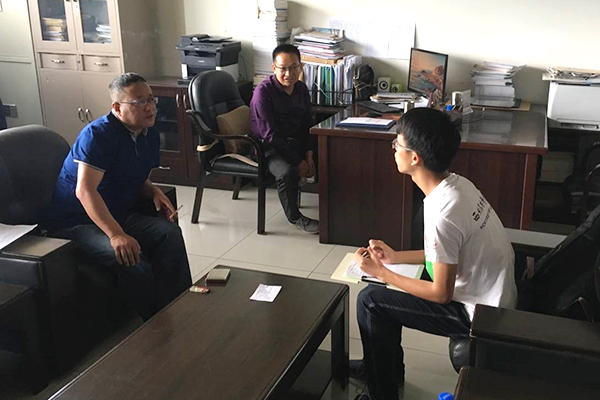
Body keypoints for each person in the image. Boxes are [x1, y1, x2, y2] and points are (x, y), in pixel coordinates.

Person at [351, 108, 517, 400]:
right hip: (494, 297)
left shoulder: (441, 213)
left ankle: (381, 392)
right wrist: (394, 257)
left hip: (477, 315)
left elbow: (441, 293)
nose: (393, 149)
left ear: (415, 158)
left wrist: (382, 273)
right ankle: (382, 369)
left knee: (370, 301)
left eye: (397, 144)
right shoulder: (459, 185)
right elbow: (446, 254)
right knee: (381, 294)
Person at [43, 72, 192, 320]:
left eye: (151, 99)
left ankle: (181, 306)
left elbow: (133, 173)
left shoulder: (148, 134)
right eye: (139, 102)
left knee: (170, 234)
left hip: (117, 212)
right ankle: (156, 323)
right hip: (77, 222)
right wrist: (116, 234)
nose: (149, 107)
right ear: (117, 108)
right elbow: (85, 191)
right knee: (131, 257)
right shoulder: (97, 135)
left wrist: (153, 190)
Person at [250, 44, 318, 233]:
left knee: (331, 155)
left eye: (294, 67)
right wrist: (298, 161)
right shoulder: (263, 93)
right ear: (274, 68)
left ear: (301, 67)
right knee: (287, 172)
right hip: (267, 148)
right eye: (283, 68)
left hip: (293, 143)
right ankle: (295, 218)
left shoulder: (301, 89)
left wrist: (309, 154)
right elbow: (269, 136)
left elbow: (307, 124)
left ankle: (335, 208)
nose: (289, 74)